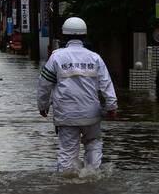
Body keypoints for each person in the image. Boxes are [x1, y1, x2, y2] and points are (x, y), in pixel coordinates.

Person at [36, 17, 118, 174]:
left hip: (66, 115)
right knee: (93, 143)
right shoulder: (95, 58)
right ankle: (93, 174)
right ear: (84, 36)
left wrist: (43, 106)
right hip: (91, 114)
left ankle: (68, 184)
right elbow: (106, 84)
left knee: (67, 154)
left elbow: (44, 85)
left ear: (64, 36)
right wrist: (111, 106)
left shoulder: (57, 57)